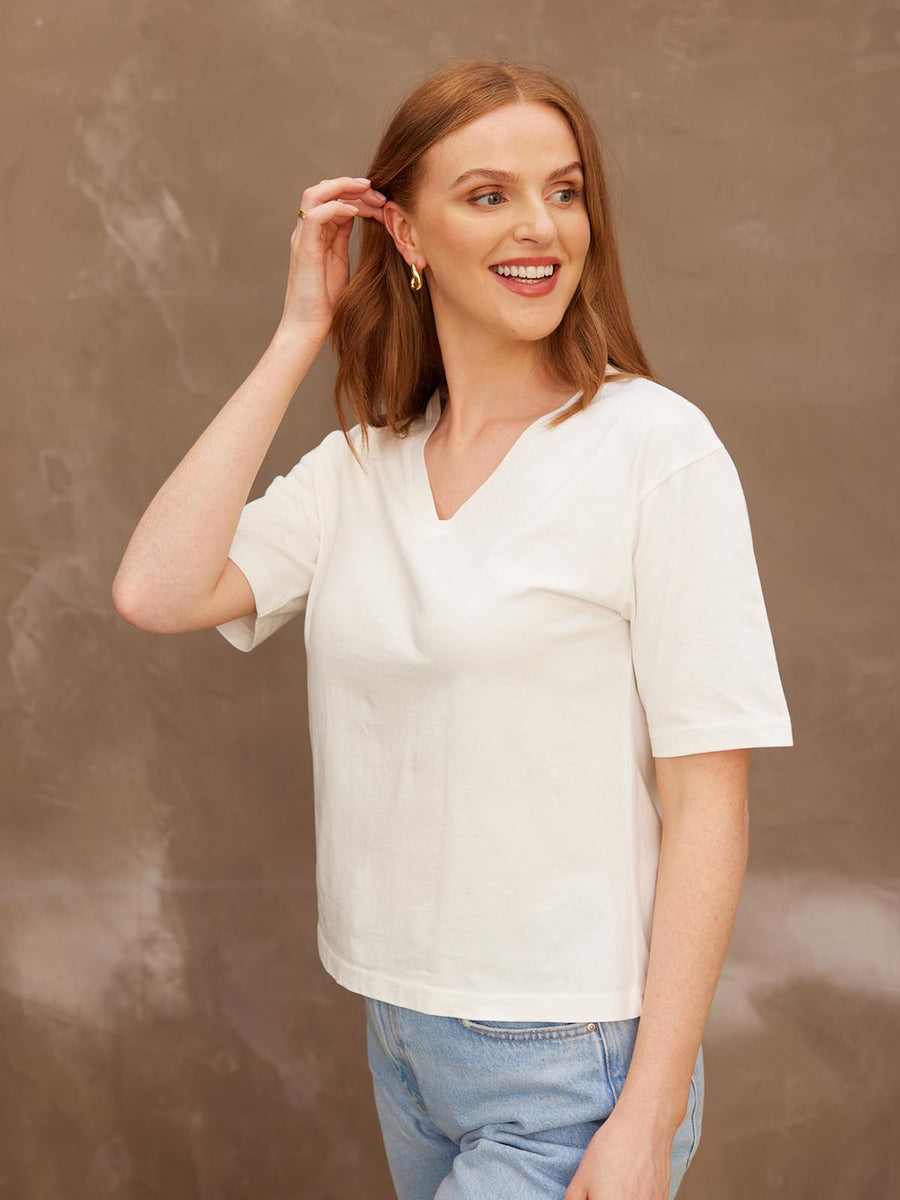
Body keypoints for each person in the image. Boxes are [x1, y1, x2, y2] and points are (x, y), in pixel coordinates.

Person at [112, 58, 793, 1200]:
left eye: (564, 192)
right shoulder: (362, 467)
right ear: (408, 237)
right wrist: (297, 334)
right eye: (488, 195)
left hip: (573, 1063)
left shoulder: (655, 450)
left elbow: (708, 801)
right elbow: (158, 590)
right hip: (404, 1035)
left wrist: (650, 1111)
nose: (541, 227)